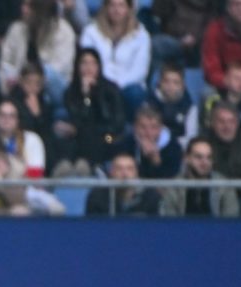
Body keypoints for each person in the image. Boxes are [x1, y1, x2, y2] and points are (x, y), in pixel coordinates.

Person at [54, 48, 126, 176]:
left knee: (90, 134)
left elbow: (116, 123)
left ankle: (87, 165)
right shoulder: (71, 92)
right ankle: (68, 166)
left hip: (108, 137)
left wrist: (93, 96)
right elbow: (78, 121)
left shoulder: (111, 89)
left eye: (93, 63)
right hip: (81, 138)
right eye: (84, 63)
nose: (89, 67)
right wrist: (86, 96)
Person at [79, 0, 151, 116]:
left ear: (129, 9)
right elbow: (86, 60)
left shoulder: (141, 35)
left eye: (121, 5)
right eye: (112, 5)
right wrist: (106, 84)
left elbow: (139, 71)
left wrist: (117, 85)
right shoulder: (91, 32)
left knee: (135, 92)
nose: (116, 10)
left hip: (127, 87)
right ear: (105, 7)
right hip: (99, 84)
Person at [0, 0, 77, 101]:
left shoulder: (64, 31)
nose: (23, 9)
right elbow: (6, 62)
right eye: (23, 4)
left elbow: (59, 69)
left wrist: (31, 81)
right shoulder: (16, 29)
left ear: (40, 9)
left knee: (49, 73)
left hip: (51, 92)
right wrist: (13, 78)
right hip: (19, 87)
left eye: (29, 6)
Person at [159, 136, 239, 216]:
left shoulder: (224, 185)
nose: (205, 162)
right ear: (186, 158)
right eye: (198, 157)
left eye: (209, 157)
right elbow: (169, 220)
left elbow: (231, 219)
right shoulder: (174, 187)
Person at [113, 104, 182, 178]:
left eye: (153, 127)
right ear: (135, 127)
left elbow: (171, 176)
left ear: (160, 128)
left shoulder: (173, 147)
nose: (148, 133)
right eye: (143, 127)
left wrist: (156, 161)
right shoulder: (126, 144)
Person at [85, 152, 161, 215]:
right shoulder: (97, 196)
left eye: (130, 169)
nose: (125, 174)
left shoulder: (150, 196)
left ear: (136, 173)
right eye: (119, 169)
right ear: (111, 172)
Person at [145, 64, 198, 148]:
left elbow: (191, 138)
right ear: (159, 82)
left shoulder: (190, 108)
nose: (170, 86)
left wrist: (171, 144)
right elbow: (144, 131)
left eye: (176, 83)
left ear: (183, 85)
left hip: (179, 148)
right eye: (166, 81)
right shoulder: (149, 104)